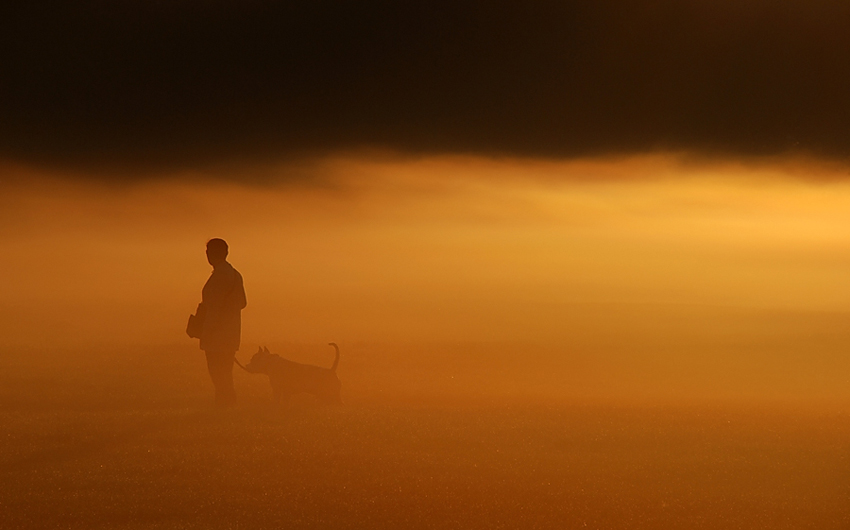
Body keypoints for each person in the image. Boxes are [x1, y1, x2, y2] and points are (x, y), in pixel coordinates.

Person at [196, 238, 247, 407]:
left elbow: (214, 308)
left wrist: (205, 330)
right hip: (230, 332)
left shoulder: (220, 276)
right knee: (225, 373)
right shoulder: (234, 273)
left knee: (218, 374)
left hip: (217, 334)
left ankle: (225, 406)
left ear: (210, 254)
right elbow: (242, 303)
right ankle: (226, 406)